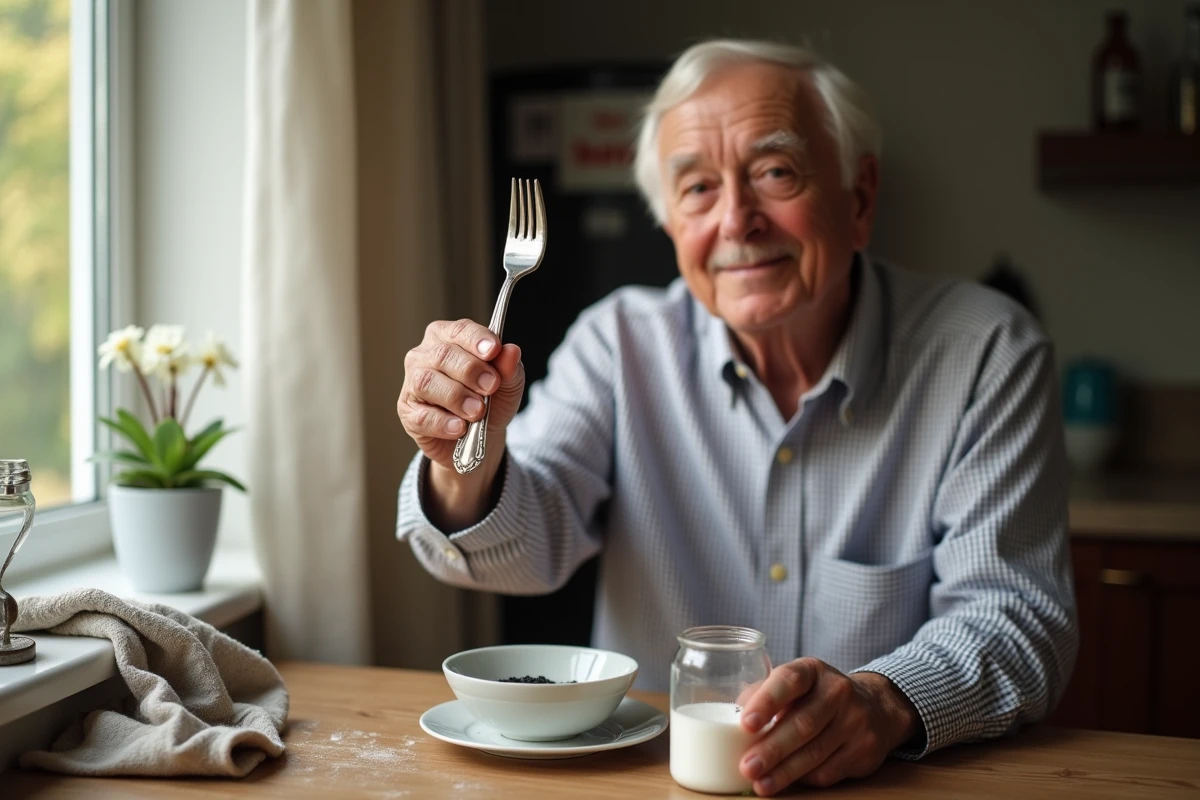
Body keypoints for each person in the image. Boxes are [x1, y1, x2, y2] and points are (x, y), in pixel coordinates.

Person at [395, 39, 1077, 795]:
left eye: (775, 173)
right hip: (656, 783)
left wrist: (884, 703)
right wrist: (461, 455)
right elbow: (527, 545)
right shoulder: (617, 343)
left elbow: (1016, 618)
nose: (737, 221)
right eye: (696, 190)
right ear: (671, 229)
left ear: (859, 198)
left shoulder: (986, 351)